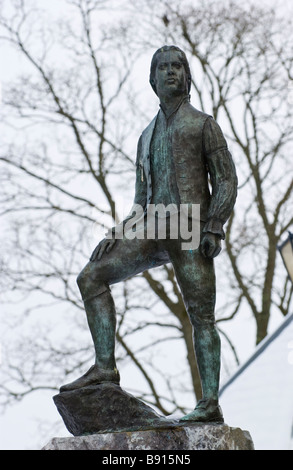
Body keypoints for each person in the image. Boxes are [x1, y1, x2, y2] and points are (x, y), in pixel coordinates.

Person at [60, 45, 238, 423]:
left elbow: (225, 179)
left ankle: (209, 403)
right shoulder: (145, 136)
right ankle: (104, 367)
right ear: (153, 79)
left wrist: (215, 225)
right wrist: (117, 232)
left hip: (190, 225)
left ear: (187, 77)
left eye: (177, 66)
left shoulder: (203, 124)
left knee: (202, 316)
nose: (171, 72)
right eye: (163, 67)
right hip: (154, 224)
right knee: (90, 276)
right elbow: (141, 201)